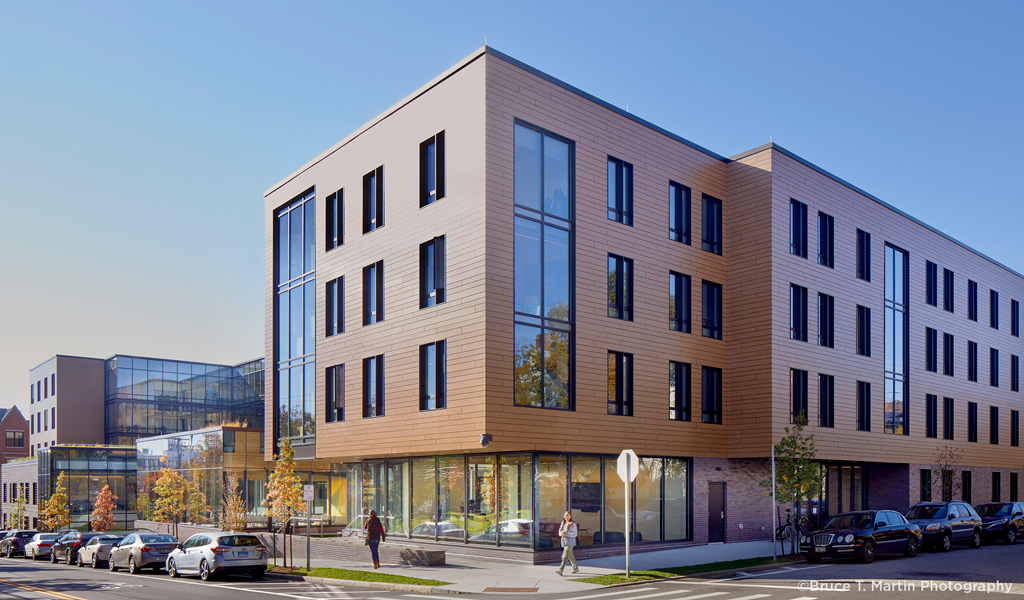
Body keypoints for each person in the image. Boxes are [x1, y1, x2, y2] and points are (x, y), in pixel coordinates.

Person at [555, 511, 578, 576]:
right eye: (565, 515)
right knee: (570, 556)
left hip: (570, 543)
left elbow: (575, 534)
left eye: (568, 515)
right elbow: (559, 532)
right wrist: (561, 534)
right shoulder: (563, 523)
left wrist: (566, 534)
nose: (566, 517)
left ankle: (561, 569)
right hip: (564, 542)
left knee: (565, 556)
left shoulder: (573, 524)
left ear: (570, 516)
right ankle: (575, 567)